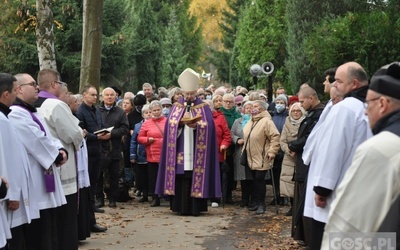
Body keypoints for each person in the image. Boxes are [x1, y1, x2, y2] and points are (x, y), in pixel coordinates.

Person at [321, 62, 400, 249]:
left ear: (382, 104)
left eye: (368, 103)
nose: (365, 110)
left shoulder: (382, 148)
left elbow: (350, 227)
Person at [303, 62, 372, 250]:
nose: (334, 85)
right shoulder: (368, 107)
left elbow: (332, 149)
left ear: (354, 84)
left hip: (335, 195)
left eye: (339, 81)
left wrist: (322, 188)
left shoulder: (345, 108)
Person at [9, 73, 67, 250]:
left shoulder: (30, 111)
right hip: (33, 180)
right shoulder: (16, 114)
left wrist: (60, 149)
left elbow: (48, 136)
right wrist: (56, 155)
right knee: (38, 231)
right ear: (19, 89)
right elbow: (37, 140)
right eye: (32, 84)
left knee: (48, 227)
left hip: (43, 174)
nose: (37, 87)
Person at [155, 68, 221, 216]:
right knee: (181, 177)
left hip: (198, 150)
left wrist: (197, 126)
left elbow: (210, 126)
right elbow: (169, 125)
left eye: (192, 94)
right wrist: (179, 123)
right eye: (186, 94)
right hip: (180, 148)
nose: (189, 96)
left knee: (195, 176)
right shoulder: (177, 106)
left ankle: (196, 208)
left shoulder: (204, 107)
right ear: (182, 93)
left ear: (196, 92)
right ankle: (179, 207)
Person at [33, 69, 83, 250]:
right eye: (61, 84)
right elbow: (73, 134)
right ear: (54, 84)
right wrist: (81, 135)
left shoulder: (32, 106)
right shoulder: (56, 105)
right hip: (62, 167)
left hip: (42, 168)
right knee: (65, 218)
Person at [1, 73, 38, 250]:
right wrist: (13, 193)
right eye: (15, 91)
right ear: (5, 94)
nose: (17, 94)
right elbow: (8, 158)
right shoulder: (2, 120)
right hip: (6, 193)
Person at [288, 86, 325, 246]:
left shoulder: (320, 114)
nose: (300, 105)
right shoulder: (311, 114)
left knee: (306, 202)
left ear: (311, 98)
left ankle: (309, 238)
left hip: (309, 164)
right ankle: (301, 234)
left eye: (302, 101)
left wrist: (293, 145)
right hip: (302, 165)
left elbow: (311, 138)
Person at [76, 85, 107, 233]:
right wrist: (96, 137)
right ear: (84, 95)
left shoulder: (97, 110)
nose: (95, 97)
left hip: (97, 152)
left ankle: (91, 218)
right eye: (92, 95)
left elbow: (100, 125)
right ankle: (89, 221)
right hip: (86, 153)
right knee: (87, 189)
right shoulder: (80, 111)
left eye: (96, 95)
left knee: (93, 185)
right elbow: (82, 133)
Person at [243, 100, 280, 214]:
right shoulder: (251, 120)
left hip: (262, 155)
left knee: (259, 180)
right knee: (253, 180)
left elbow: (275, 136)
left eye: (255, 106)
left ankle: (261, 204)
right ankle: (255, 202)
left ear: (262, 109)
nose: (252, 108)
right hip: (250, 156)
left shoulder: (267, 121)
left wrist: (272, 151)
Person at [97, 87, 129, 208]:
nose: (109, 97)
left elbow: (125, 128)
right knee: (99, 174)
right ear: (102, 97)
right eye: (107, 95)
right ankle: (99, 198)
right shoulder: (96, 110)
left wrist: (112, 134)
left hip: (114, 147)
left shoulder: (120, 112)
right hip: (100, 147)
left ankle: (112, 198)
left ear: (116, 97)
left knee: (114, 175)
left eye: (112, 95)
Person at [137, 101, 167, 207]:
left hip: (166, 154)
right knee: (153, 177)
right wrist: (147, 140)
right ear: (151, 111)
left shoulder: (167, 121)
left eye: (158, 110)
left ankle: (167, 196)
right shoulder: (146, 123)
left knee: (166, 176)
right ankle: (155, 198)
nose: (157, 112)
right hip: (152, 154)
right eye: (154, 110)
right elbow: (139, 138)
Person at [280, 102, 306, 217]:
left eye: (298, 110)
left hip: (302, 156)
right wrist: (289, 150)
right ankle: (292, 207)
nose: (295, 112)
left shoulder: (306, 123)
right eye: (293, 111)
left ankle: (301, 207)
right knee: (289, 182)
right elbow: (282, 140)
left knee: (300, 183)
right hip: (289, 157)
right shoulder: (287, 123)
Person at [205, 99, 231, 205]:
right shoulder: (198, 118)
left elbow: (227, 135)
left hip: (217, 153)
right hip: (202, 153)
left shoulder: (220, 118)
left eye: (208, 106)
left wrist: (224, 144)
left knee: (217, 175)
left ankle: (215, 197)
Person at [220, 93, 242, 204]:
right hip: (222, 147)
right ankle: (220, 194)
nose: (228, 104)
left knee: (231, 172)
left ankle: (229, 194)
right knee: (222, 171)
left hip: (235, 147)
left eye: (230, 102)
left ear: (234, 103)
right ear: (222, 102)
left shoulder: (238, 116)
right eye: (226, 101)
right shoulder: (219, 113)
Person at [231, 101, 253, 207]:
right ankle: (244, 199)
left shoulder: (257, 121)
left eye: (251, 108)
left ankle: (253, 199)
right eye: (247, 108)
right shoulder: (238, 121)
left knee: (252, 176)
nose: (249, 110)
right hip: (240, 150)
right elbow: (232, 134)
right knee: (243, 177)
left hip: (254, 151)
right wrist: (237, 139)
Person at [270, 94, 289, 205]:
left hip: (284, 149)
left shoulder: (288, 117)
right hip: (275, 148)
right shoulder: (272, 117)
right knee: (275, 173)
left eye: (282, 103)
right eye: (277, 102)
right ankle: (276, 195)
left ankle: (284, 196)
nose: (279, 105)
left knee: (284, 174)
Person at [130, 104, 151, 202]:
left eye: (150, 112)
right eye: (146, 113)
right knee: (142, 176)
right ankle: (144, 194)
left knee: (151, 175)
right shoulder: (138, 126)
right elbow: (133, 141)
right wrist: (133, 154)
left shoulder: (157, 124)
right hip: (141, 154)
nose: (149, 114)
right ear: (143, 115)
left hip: (153, 154)